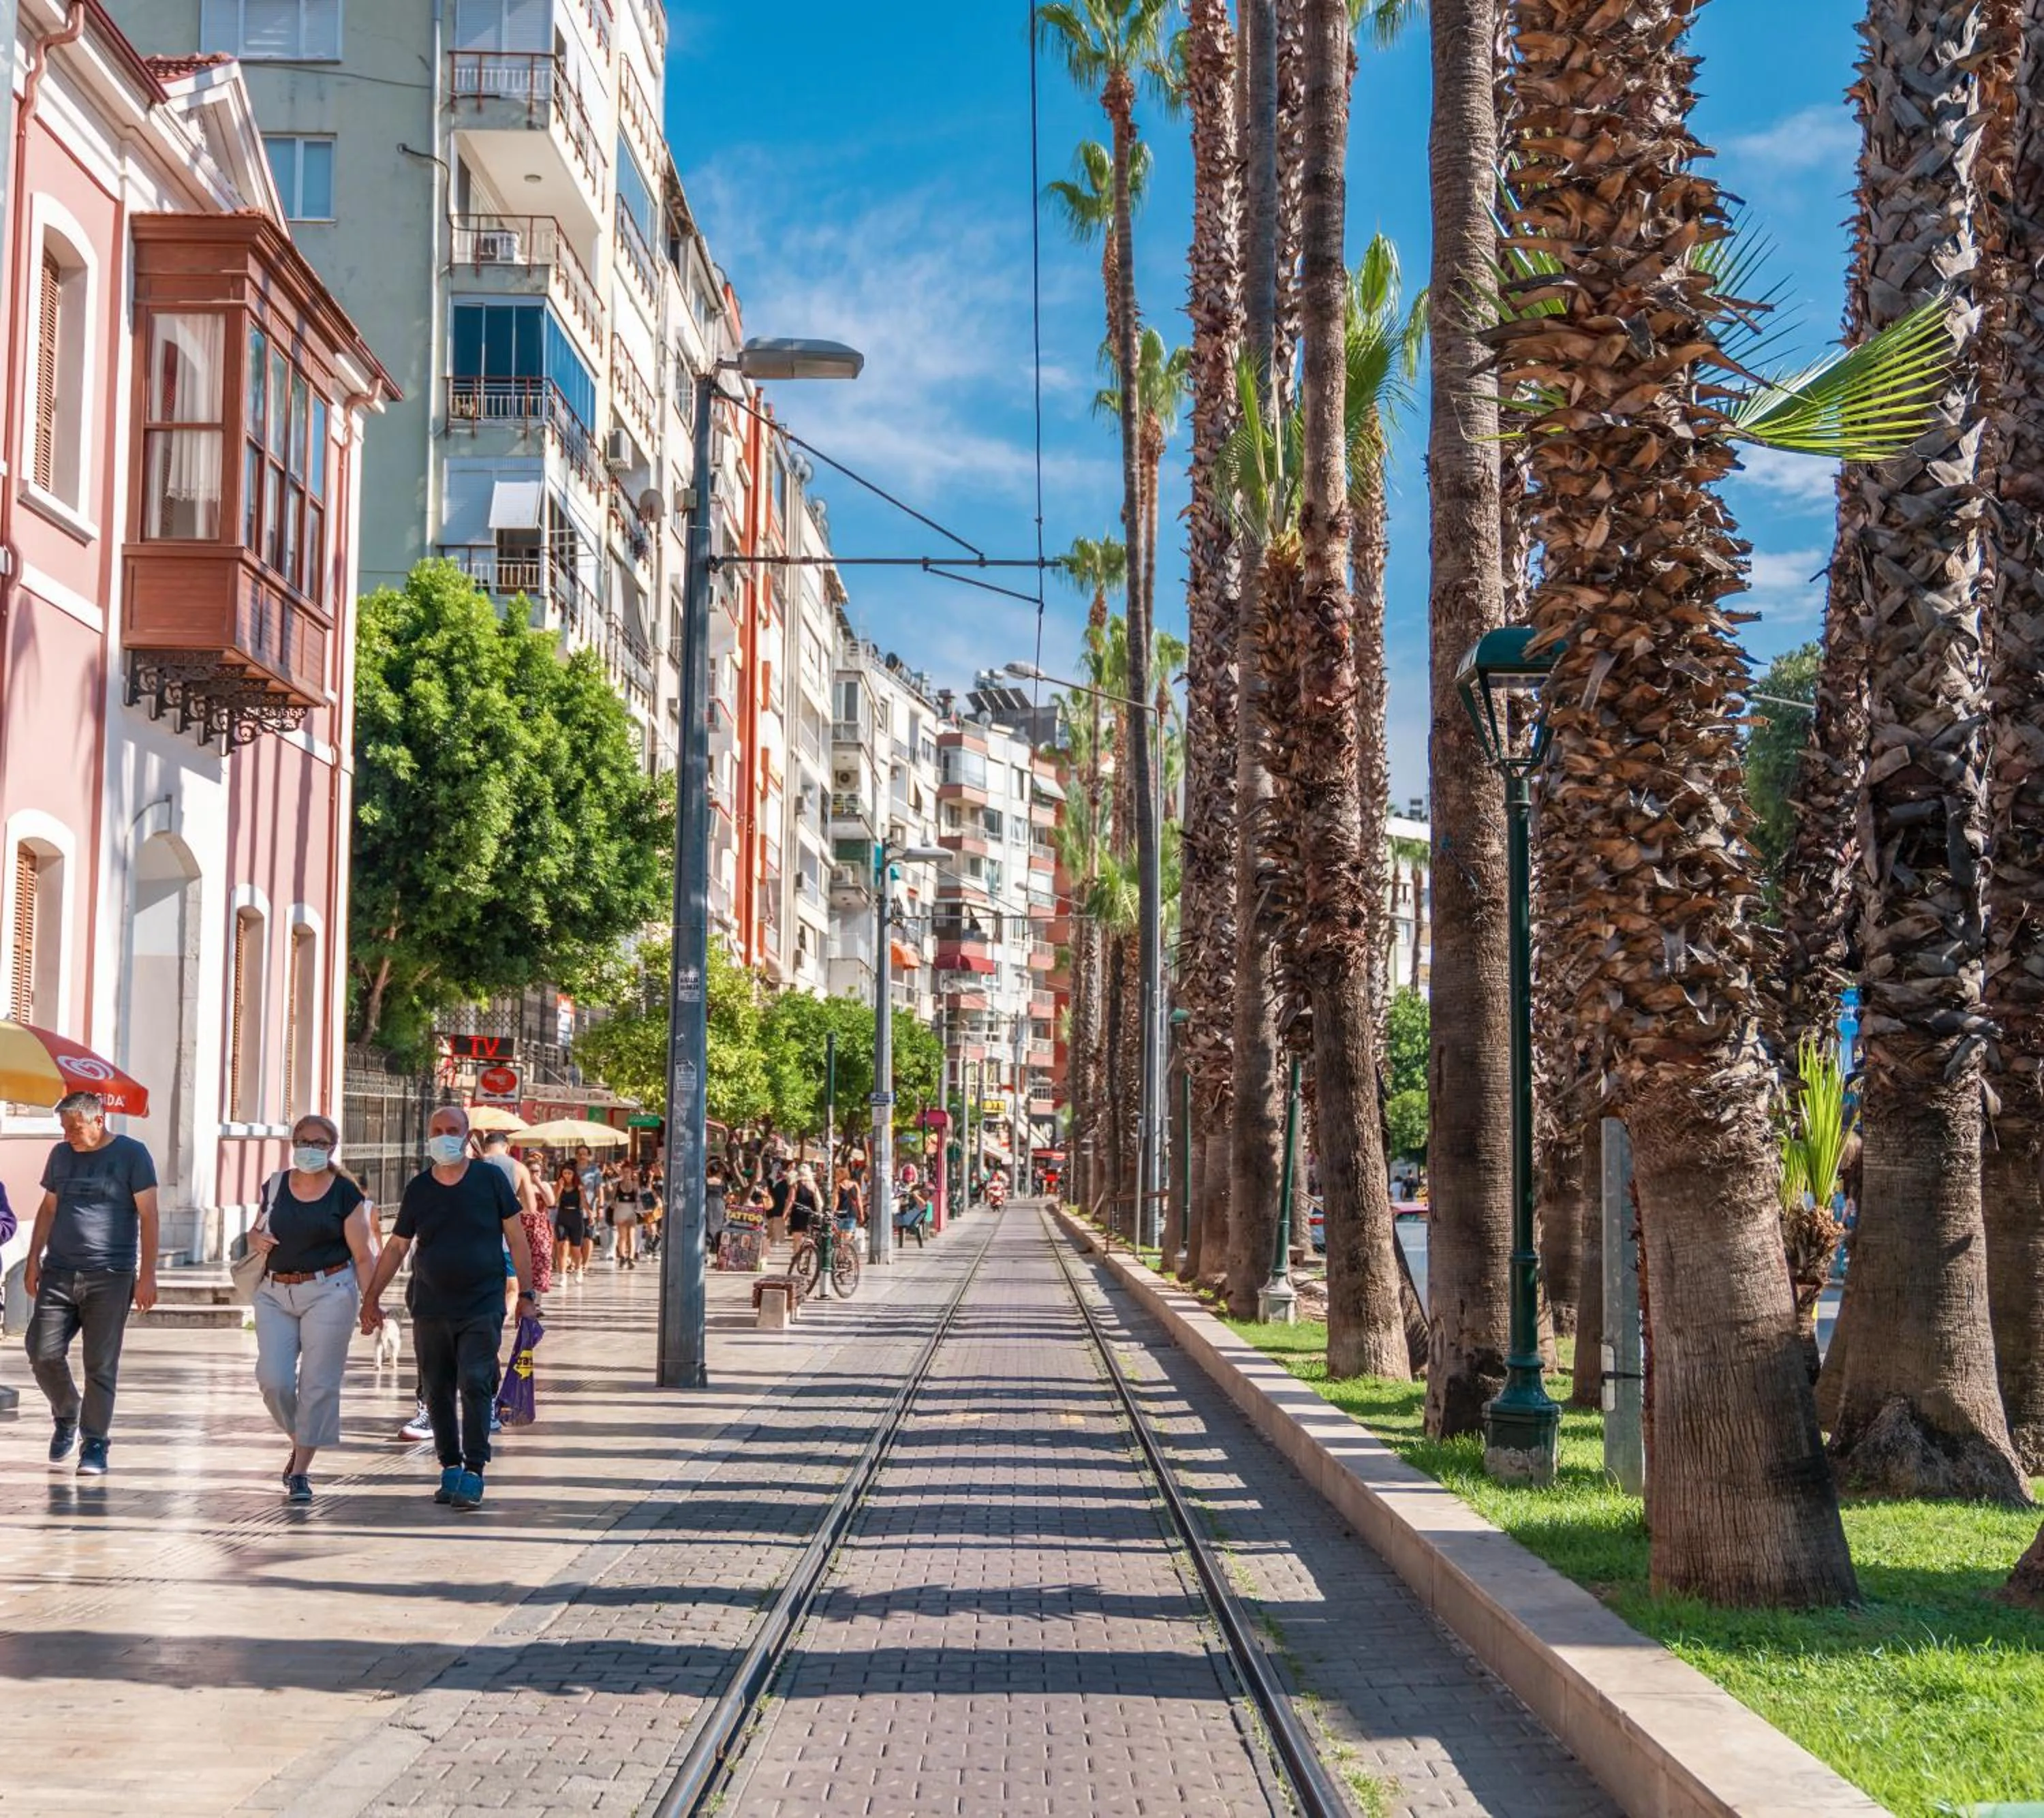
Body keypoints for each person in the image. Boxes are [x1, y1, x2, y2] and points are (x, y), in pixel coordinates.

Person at [362, 1106, 536, 1512]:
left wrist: (527, 1294)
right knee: (437, 1389)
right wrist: (371, 1298)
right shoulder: (420, 1188)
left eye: (452, 1130)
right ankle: (450, 1467)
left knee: (475, 1380)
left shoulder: (490, 1179)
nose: (444, 1136)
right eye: (437, 1130)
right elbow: (397, 1246)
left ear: (467, 1134)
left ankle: (474, 1470)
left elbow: (517, 1237)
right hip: (430, 1304)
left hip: (482, 1301)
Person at [23, 1091, 159, 1475]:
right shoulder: (61, 1155)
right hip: (59, 1272)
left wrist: (147, 1275)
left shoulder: (133, 1155)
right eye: (64, 1128)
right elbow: (48, 1208)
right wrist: (33, 1259)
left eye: (74, 1128)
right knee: (41, 1350)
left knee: (100, 1364)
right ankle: (67, 1411)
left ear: (98, 1121)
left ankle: (95, 1443)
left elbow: (149, 1216)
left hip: (111, 1276)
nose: (67, 1135)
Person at [248, 1114, 377, 1503]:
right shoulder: (275, 1185)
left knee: (318, 1385)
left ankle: (301, 1469)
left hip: (330, 1291)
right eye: (303, 1141)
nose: (310, 1149)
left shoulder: (345, 1193)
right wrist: (255, 1238)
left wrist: (370, 1303)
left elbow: (364, 1256)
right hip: (275, 1291)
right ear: (293, 1143)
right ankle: (302, 1437)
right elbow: (258, 1229)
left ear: (332, 1148)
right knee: (274, 1381)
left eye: (319, 1143)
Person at [553, 1162, 590, 1278]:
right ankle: (562, 1275)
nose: (567, 1176)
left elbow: (584, 1202)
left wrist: (590, 1213)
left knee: (576, 1248)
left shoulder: (579, 1186)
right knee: (562, 1246)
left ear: (574, 1174)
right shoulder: (558, 1185)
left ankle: (579, 1270)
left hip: (576, 1217)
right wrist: (559, 1188)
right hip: (562, 1216)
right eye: (565, 1173)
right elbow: (554, 1201)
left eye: (570, 1173)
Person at [613, 1160, 642, 1269]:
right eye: (624, 1172)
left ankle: (630, 1259)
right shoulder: (617, 1184)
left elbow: (639, 1197)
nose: (626, 1174)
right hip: (620, 1210)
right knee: (623, 1237)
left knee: (631, 1235)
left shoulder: (635, 1184)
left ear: (631, 1173)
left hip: (631, 1211)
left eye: (628, 1172)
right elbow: (612, 1199)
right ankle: (622, 1256)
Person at [789, 1164, 822, 1236]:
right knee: (810, 1236)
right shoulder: (813, 1185)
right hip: (811, 1213)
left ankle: (799, 1247)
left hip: (798, 1213)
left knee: (797, 1238)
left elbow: (791, 1200)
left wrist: (784, 1215)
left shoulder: (796, 1184)